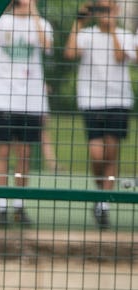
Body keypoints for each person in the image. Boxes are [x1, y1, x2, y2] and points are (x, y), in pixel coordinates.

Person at [64, 0, 134, 229]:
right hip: (91, 101)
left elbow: (119, 56)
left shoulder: (124, 35)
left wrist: (112, 27)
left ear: (116, 10)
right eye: (100, 9)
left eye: (108, 9)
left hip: (118, 100)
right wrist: (79, 21)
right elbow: (70, 52)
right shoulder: (87, 34)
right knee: (97, 153)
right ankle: (99, 189)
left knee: (111, 152)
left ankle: (104, 204)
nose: (105, 14)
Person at [0, 0, 53, 226]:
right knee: (2, 151)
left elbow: (47, 46)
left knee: (24, 154)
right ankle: (1, 206)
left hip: (31, 100)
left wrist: (33, 13)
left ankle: (19, 205)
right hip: (3, 97)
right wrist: (2, 10)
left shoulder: (41, 23)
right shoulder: (2, 21)